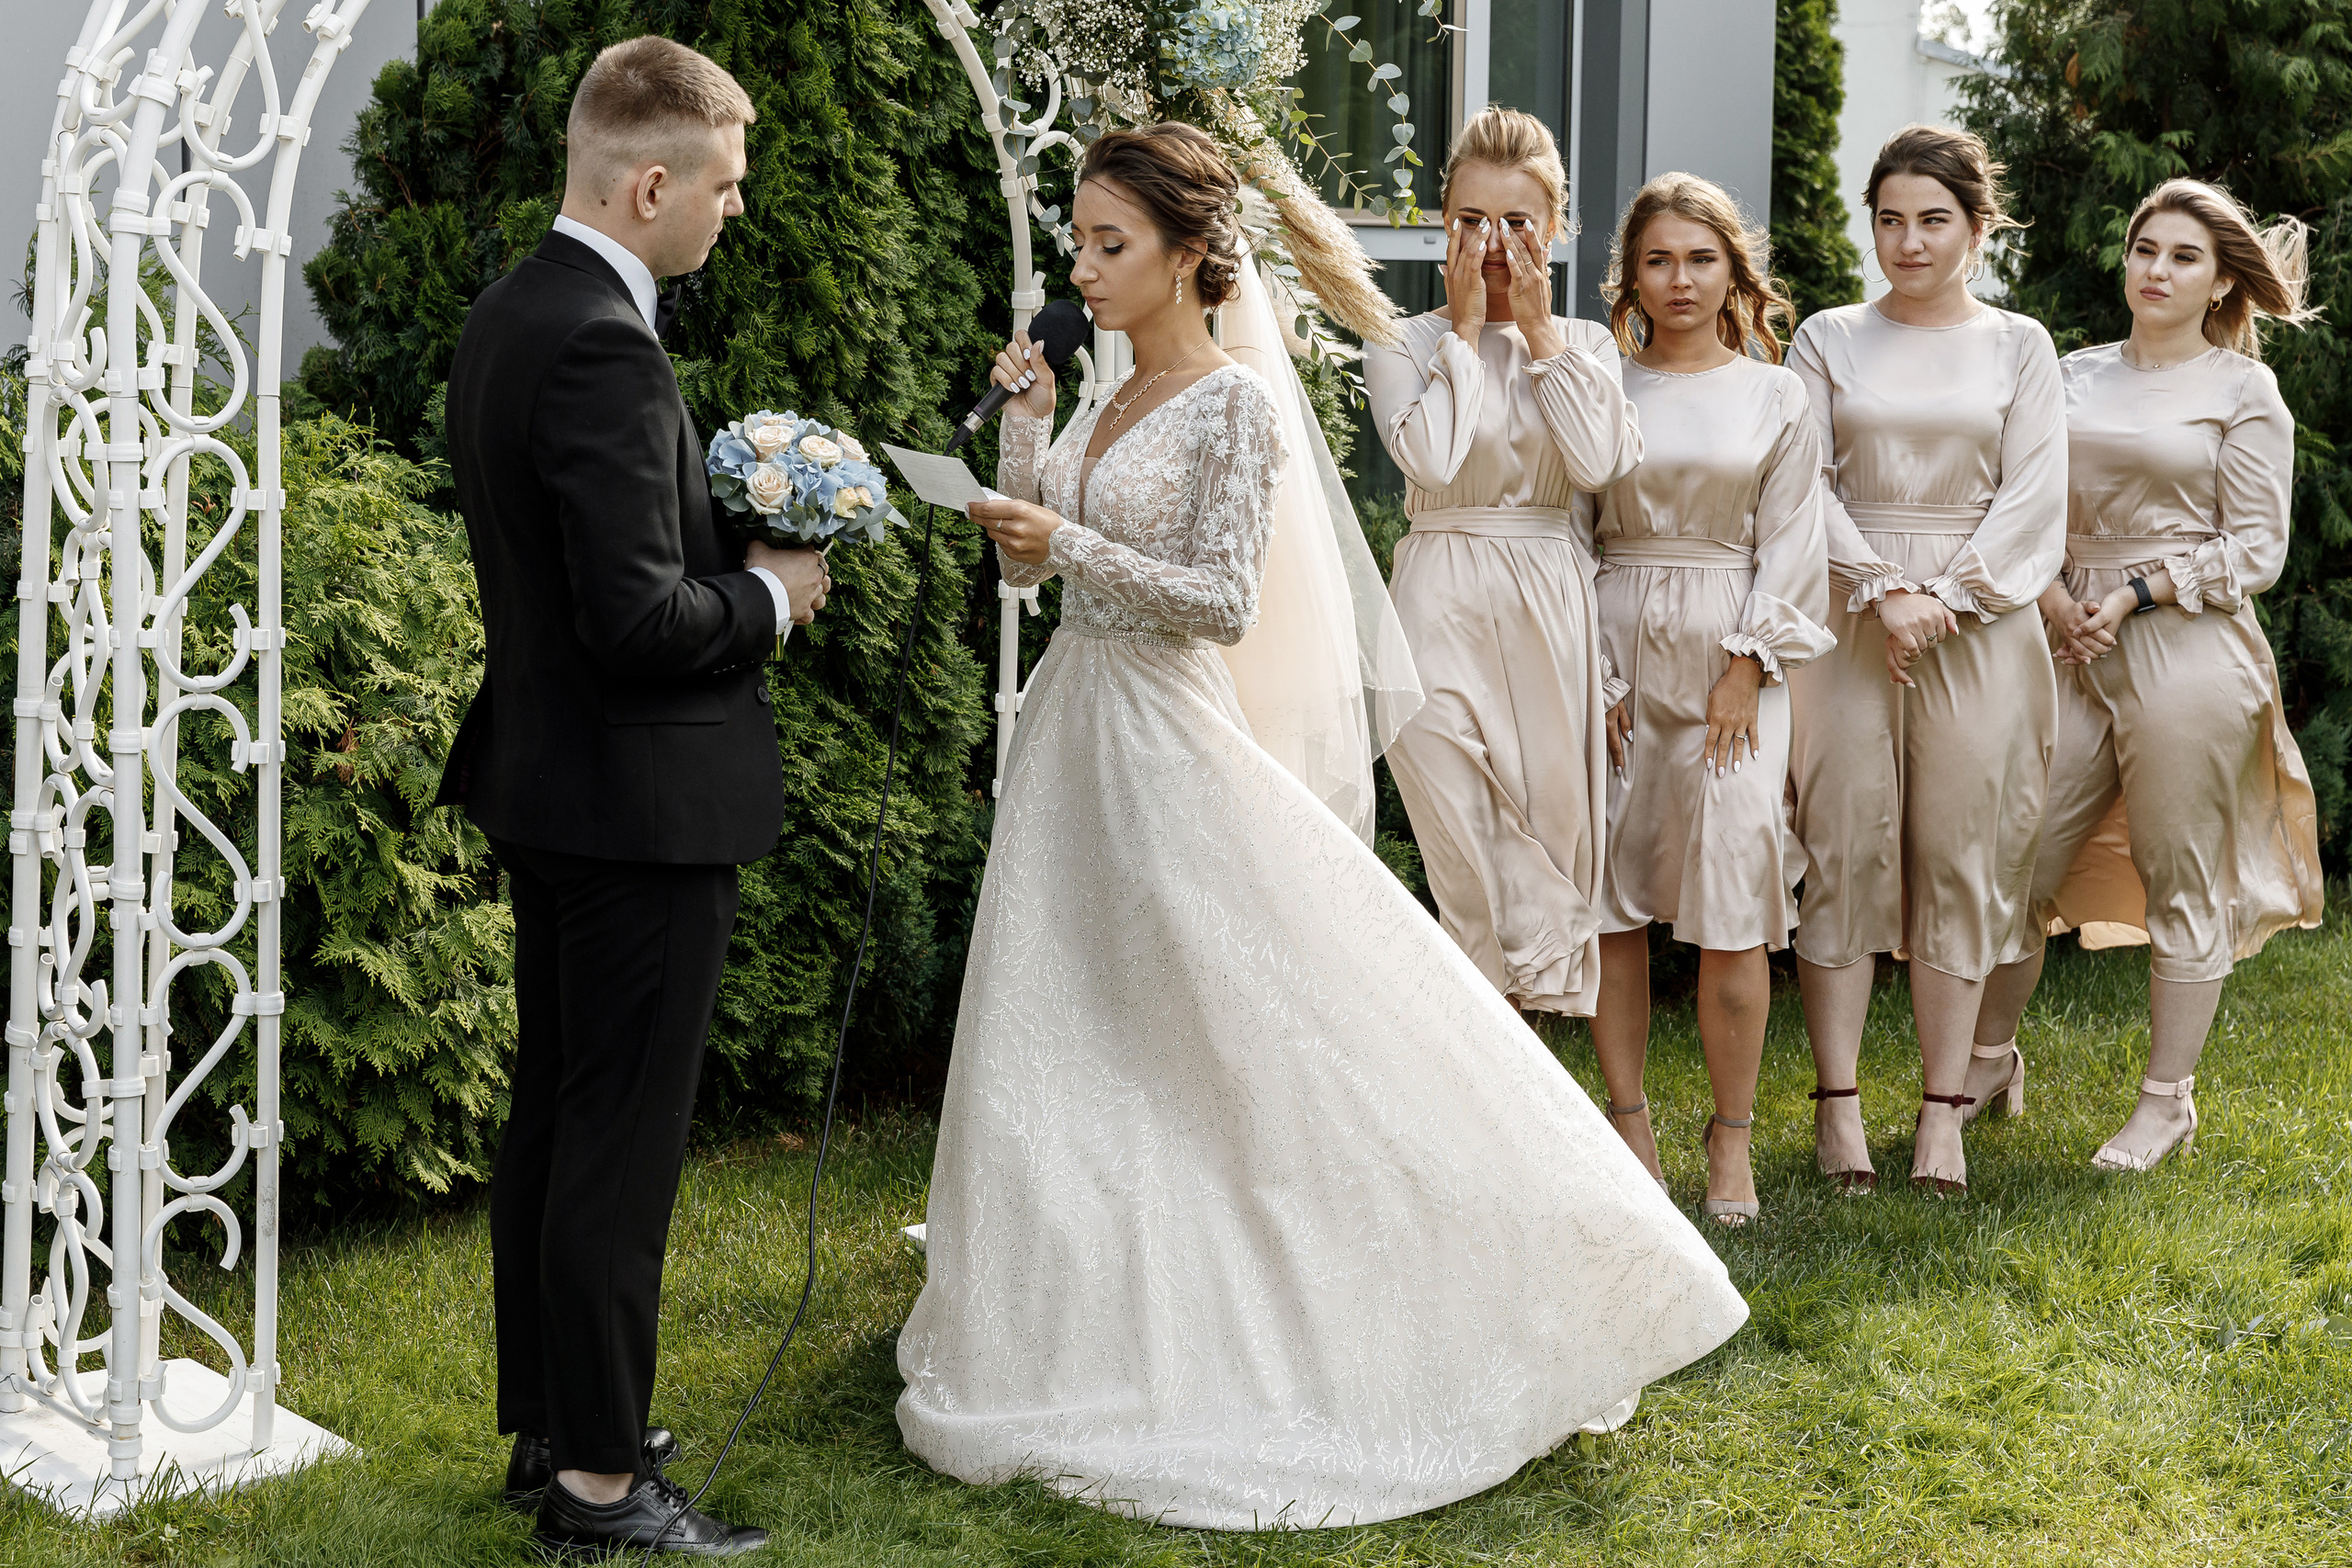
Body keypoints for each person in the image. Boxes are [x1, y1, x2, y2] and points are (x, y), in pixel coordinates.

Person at [897, 122, 1747, 1531]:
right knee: (1093, 1020)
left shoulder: (1230, 402)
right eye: (1080, 242)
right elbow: (1046, 565)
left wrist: (1073, 546)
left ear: (1187, 252)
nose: (1085, 268)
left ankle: (1484, 1227)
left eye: (1112, 245)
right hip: (1077, 739)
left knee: (1258, 1013)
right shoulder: (1108, 391)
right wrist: (1035, 444)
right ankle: (1092, 1286)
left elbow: (1216, 597)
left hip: (1168, 736)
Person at [436, 38, 822, 1557]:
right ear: (648, 182)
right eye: (722, 188)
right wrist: (776, 595)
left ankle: (558, 1423)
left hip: (557, 785)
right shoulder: (602, 341)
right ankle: (603, 1484)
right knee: (617, 1140)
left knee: (558, 1117)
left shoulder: (518, 310)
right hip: (633, 804)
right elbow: (638, 619)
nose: (731, 213)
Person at [1968, 179, 2324, 1171]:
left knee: (2180, 872)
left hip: (2185, 643)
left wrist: (2136, 590)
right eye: (2144, 249)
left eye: (2181, 257)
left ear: (2219, 285)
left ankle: (2166, 1103)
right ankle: (1987, 1063)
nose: (2155, 270)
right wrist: (2048, 596)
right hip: (2061, 637)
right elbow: (2016, 502)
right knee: (2012, 859)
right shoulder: (2068, 371)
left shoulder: (2241, 390)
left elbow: (2255, 548)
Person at [1785, 124, 2066, 1197]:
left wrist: (1943, 595)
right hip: (1850, 615)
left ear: (1975, 228)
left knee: (1963, 855)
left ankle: (1944, 1112)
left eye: (1932, 221)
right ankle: (1838, 1110)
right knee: (1843, 844)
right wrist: (1880, 589)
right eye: (1889, 220)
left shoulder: (2018, 346)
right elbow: (1797, 481)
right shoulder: (1826, 338)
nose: (1907, 242)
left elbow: (2037, 497)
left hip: (1980, 622)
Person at [1589, 175, 1834, 1224]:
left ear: (1734, 271)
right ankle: (1628, 1122)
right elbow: (1564, 529)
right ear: (1631, 275)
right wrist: (1591, 673)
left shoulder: (1776, 395)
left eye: (1699, 258)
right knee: (1611, 901)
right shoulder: (1597, 382)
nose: (1678, 279)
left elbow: (1792, 540)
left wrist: (1746, 661)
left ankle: (1729, 1142)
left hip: (1734, 648)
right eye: (1658, 259)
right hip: (1611, 645)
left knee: (1735, 904)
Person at [1363, 107, 1644, 1022]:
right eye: (1471, 220)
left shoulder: (1590, 346)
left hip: (1546, 607)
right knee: (1466, 848)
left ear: (1552, 230)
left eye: (1516, 222)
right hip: (1437, 599)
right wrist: (1466, 336)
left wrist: (1538, 336)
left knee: (1547, 841)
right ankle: (1472, 1075)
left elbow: (1600, 465)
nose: (1492, 241)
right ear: (1443, 222)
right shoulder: (1400, 341)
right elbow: (1434, 461)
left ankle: (1501, 1104)